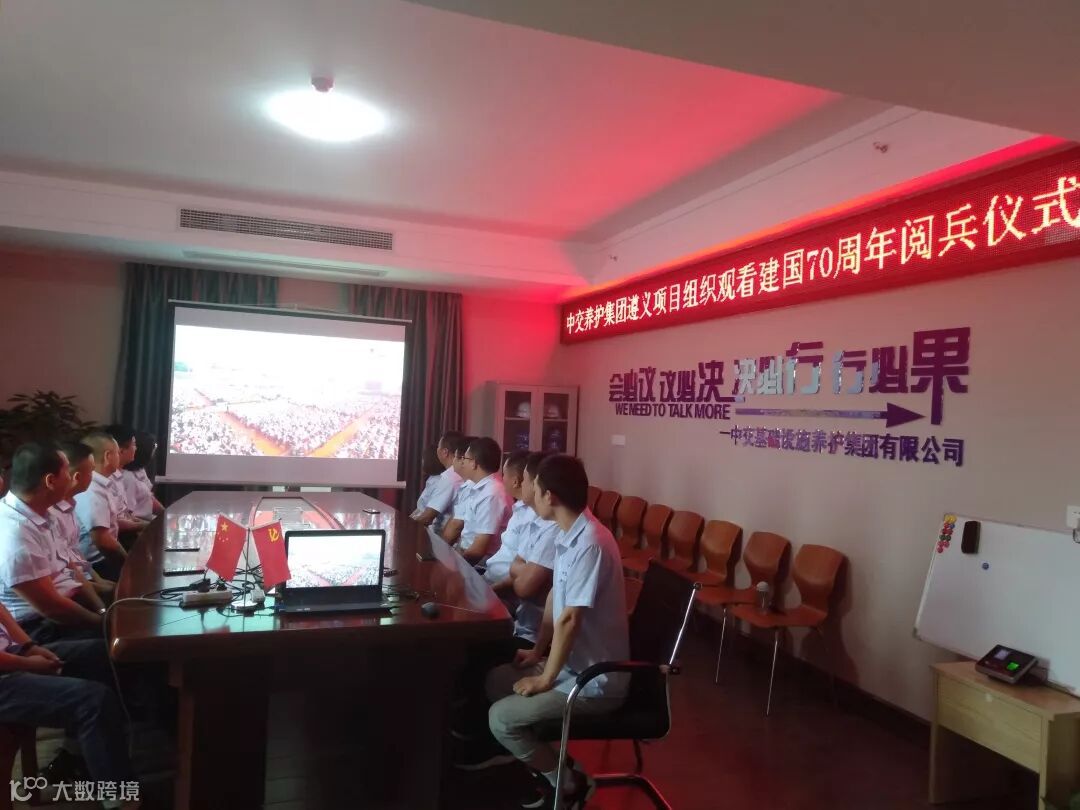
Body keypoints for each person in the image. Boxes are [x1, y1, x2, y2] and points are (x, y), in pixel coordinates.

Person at [486, 454, 629, 809]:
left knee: (500, 720)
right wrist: (538, 652)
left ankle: (568, 783)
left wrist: (545, 677)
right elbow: (555, 600)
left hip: (594, 679)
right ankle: (552, 766)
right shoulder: (571, 532)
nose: (528, 494)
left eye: (533, 488)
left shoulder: (590, 542)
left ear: (549, 496)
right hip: (570, 665)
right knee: (496, 681)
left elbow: (570, 619)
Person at [0, 599, 140, 809]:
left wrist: (30, 648)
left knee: (99, 655)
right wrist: (28, 664)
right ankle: (120, 800)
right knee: (93, 701)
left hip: (11, 654)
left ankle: (76, 758)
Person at [0, 442, 106, 644]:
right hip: (39, 627)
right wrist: (103, 623)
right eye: (67, 472)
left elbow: (70, 567)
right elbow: (51, 607)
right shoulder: (16, 533)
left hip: (70, 605)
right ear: (50, 481)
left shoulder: (45, 514)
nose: (72, 478)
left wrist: (102, 609)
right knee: (118, 649)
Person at [53, 441, 115, 601]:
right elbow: (64, 575)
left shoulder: (70, 504)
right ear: (77, 477)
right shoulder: (51, 514)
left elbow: (76, 555)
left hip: (84, 576)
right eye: (92, 471)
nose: (94, 476)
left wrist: (99, 581)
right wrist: (100, 603)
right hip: (69, 589)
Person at [74, 431, 127, 581]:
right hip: (98, 563)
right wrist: (128, 563)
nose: (120, 456)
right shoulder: (92, 490)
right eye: (118, 453)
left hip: (101, 559)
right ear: (108, 456)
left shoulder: (102, 484)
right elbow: (102, 541)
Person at [453, 437, 512, 564]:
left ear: (474, 463)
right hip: (465, 553)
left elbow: (478, 550)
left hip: (481, 564)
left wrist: (454, 567)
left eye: (465, 459)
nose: (462, 463)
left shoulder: (491, 493)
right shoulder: (479, 488)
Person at [412, 430, 464, 531]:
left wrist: (405, 527)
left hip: (441, 535)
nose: (436, 450)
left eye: (438, 447)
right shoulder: (454, 475)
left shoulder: (451, 478)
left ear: (445, 452)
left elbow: (427, 517)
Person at [103, 425, 150, 535]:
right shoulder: (107, 480)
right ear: (121, 450)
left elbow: (125, 514)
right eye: (134, 444)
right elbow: (113, 522)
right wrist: (147, 525)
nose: (136, 448)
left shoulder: (119, 477)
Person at [440, 435, 478, 545]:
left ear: (463, 460)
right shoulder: (467, 485)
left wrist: (439, 549)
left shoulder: (472, 487)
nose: (453, 462)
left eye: (455, 458)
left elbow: (456, 525)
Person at [119, 431, 164, 521]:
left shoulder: (140, 470)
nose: (135, 448)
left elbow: (149, 497)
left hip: (147, 519)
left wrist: (165, 513)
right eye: (154, 446)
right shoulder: (127, 477)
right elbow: (127, 514)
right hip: (138, 523)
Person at [410, 442, 448, 523]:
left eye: (423, 459)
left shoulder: (441, 481)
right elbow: (420, 509)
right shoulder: (432, 478)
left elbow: (427, 515)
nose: (422, 462)